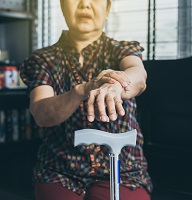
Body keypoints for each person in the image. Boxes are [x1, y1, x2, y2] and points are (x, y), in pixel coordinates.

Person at [20, 0, 152, 199]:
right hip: (59, 170)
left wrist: (116, 85)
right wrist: (82, 89)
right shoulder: (42, 59)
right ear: (63, 5)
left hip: (123, 170)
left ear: (107, 9)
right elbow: (42, 114)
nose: (85, 4)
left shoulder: (123, 49)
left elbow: (138, 77)